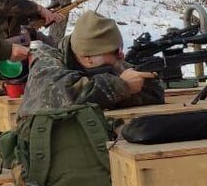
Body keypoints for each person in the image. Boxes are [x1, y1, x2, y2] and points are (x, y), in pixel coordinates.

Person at [18, 10, 164, 116]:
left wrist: (129, 86)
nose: (121, 55)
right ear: (89, 58)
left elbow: (154, 92)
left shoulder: (109, 63)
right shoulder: (46, 63)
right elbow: (66, 94)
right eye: (115, 52)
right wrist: (122, 87)